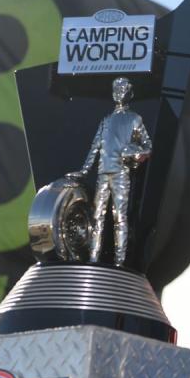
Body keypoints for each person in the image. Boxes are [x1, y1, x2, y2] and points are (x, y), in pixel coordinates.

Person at [68, 76, 151, 266]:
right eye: (116, 89)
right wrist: (83, 171)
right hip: (103, 174)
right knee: (97, 217)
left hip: (121, 174)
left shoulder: (134, 119)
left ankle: (120, 262)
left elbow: (148, 146)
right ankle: (93, 258)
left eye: (122, 89)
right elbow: (95, 148)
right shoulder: (106, 120)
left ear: (129, 93)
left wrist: (134, 151)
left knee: (120, 218)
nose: (118, 92)